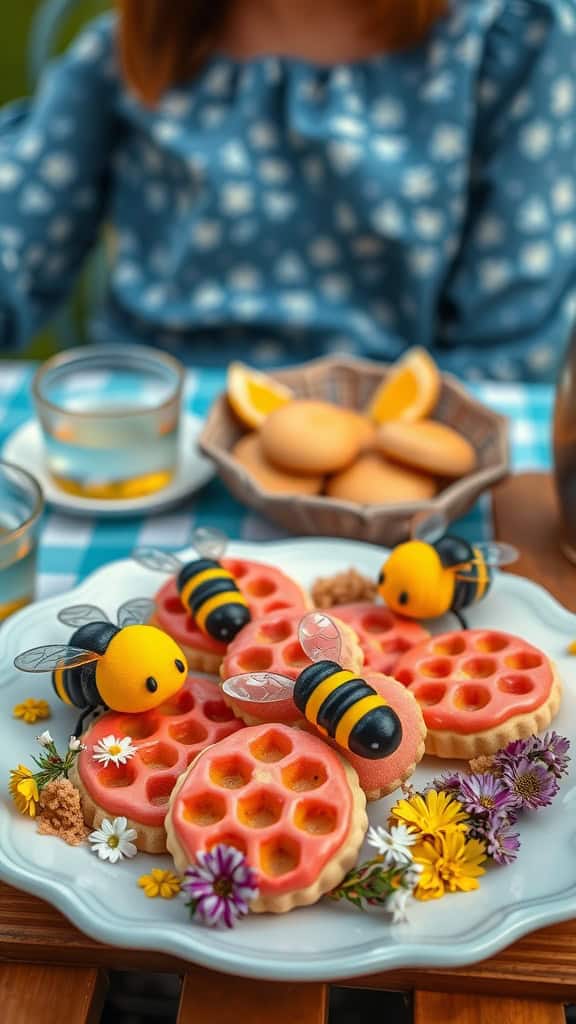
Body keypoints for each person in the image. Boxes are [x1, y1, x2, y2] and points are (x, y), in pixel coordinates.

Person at [0, 0, 575, 379]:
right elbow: (15, 247)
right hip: (150, 430)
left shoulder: (508, 37)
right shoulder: (145, 38)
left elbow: (510, 355)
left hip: (381, 442)